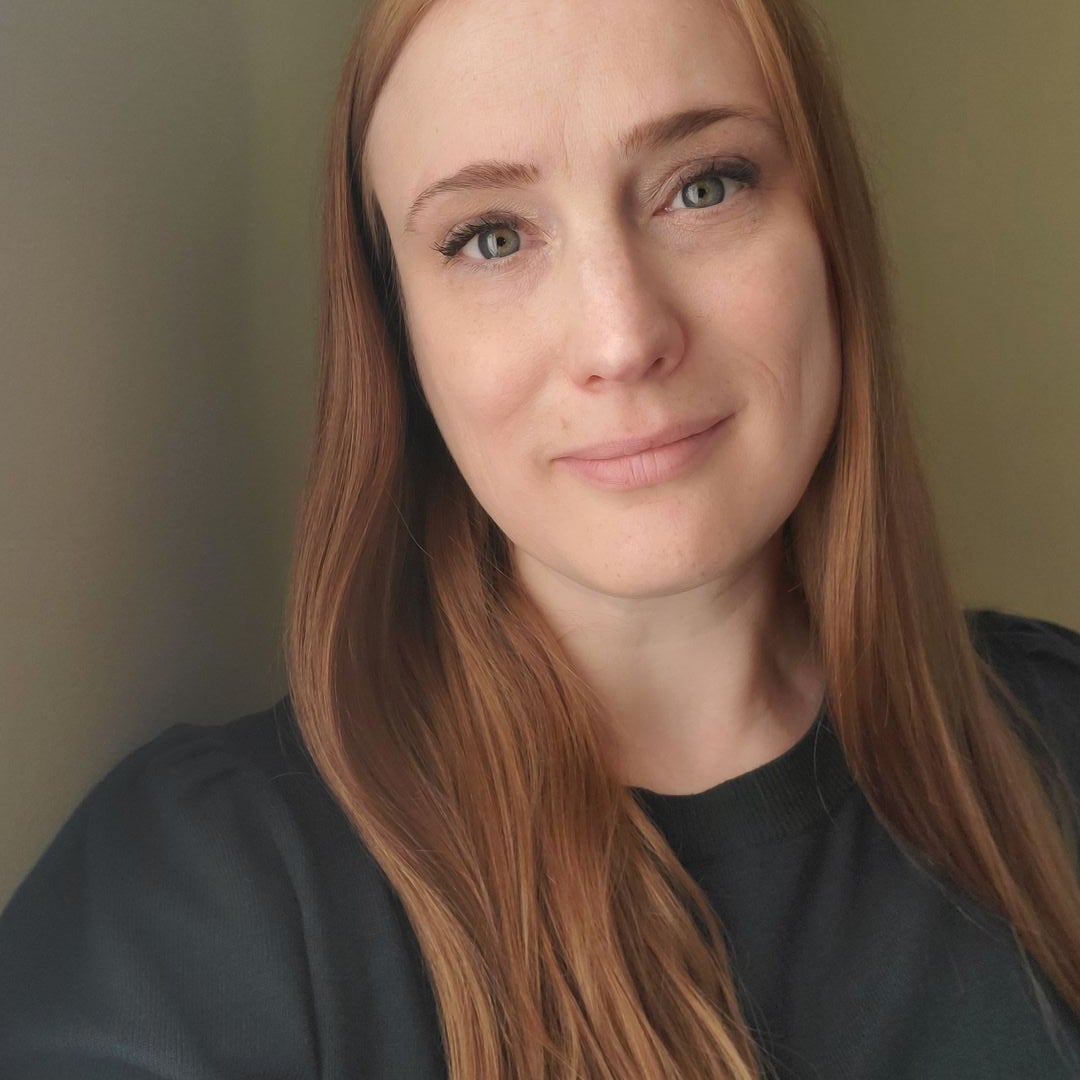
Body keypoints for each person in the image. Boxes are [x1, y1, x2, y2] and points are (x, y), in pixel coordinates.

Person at [1, 0, 1078, 1076]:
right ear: (400, 336)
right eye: (492, 237)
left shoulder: (1058, 732)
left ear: (830, 230)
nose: (622, 337)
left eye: (704, 185)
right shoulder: (195, 908)